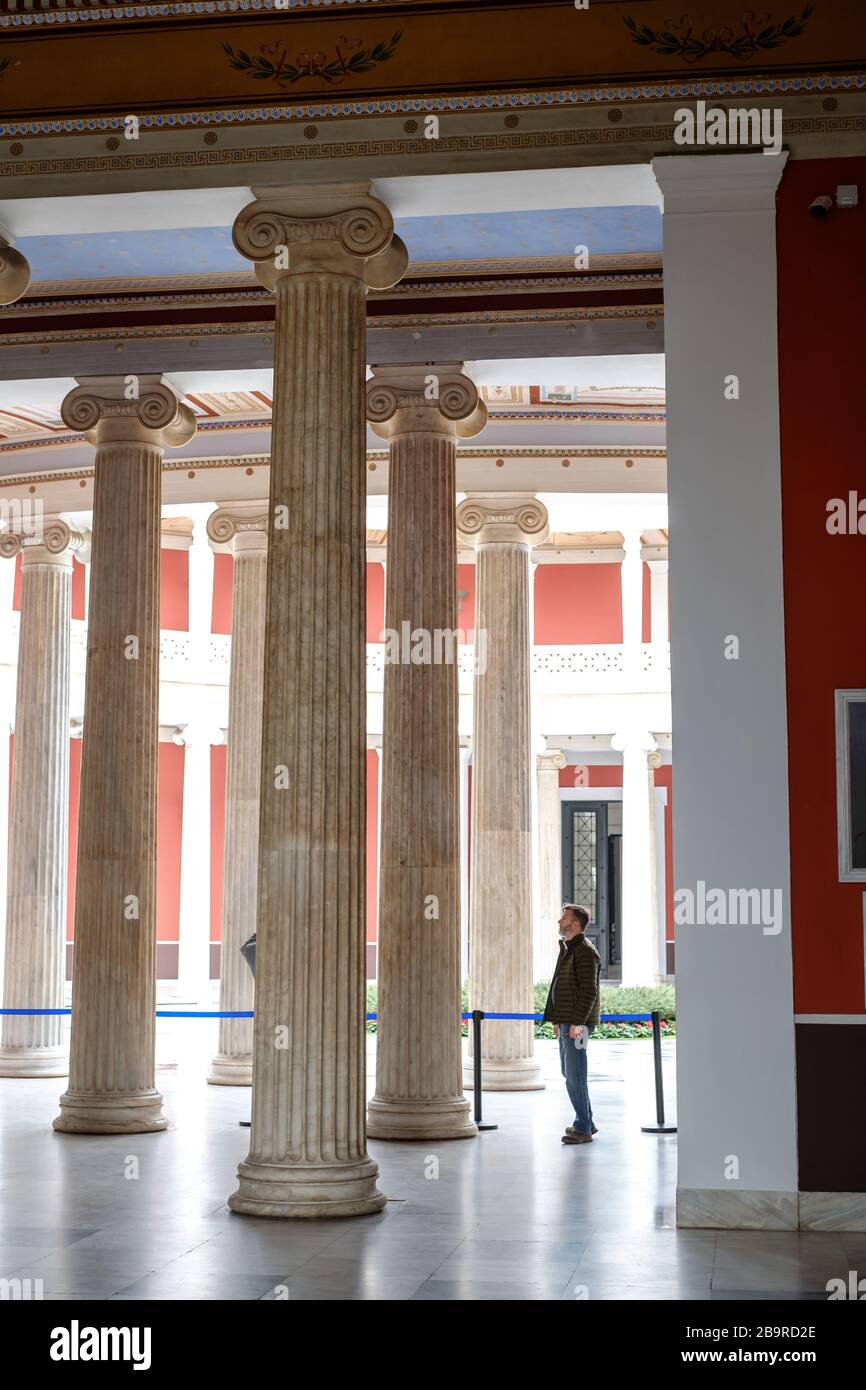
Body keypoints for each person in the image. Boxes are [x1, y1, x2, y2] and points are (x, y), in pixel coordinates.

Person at [542, 903, 601, 1145]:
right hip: (567, 1021)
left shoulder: (585, 951)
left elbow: (589, 991)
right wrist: (557, 1018)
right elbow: (559, 986)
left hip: (577, 1024)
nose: (559, 921)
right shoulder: (568, 948)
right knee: (569, 1073)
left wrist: (577, 1022)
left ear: (575, 923)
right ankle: (586, 1120)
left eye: (563, 918)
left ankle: (582, 1128)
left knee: (575, 1075)